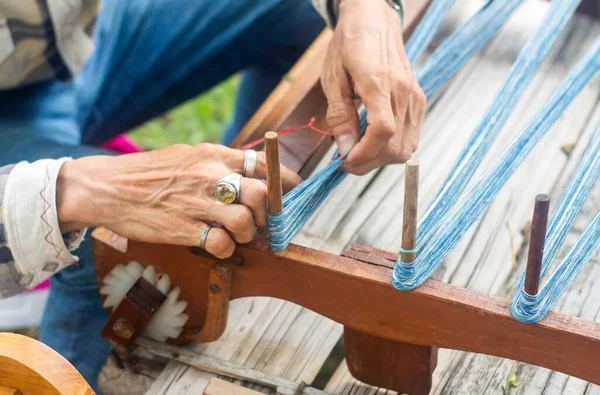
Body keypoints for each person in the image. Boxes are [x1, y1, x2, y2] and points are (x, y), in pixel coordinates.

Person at [0, 0, 425, 392]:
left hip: (49, 65)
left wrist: (365, 10)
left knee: (306, 11)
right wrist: (81, 191)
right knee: (102, 229)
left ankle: (234, 211)